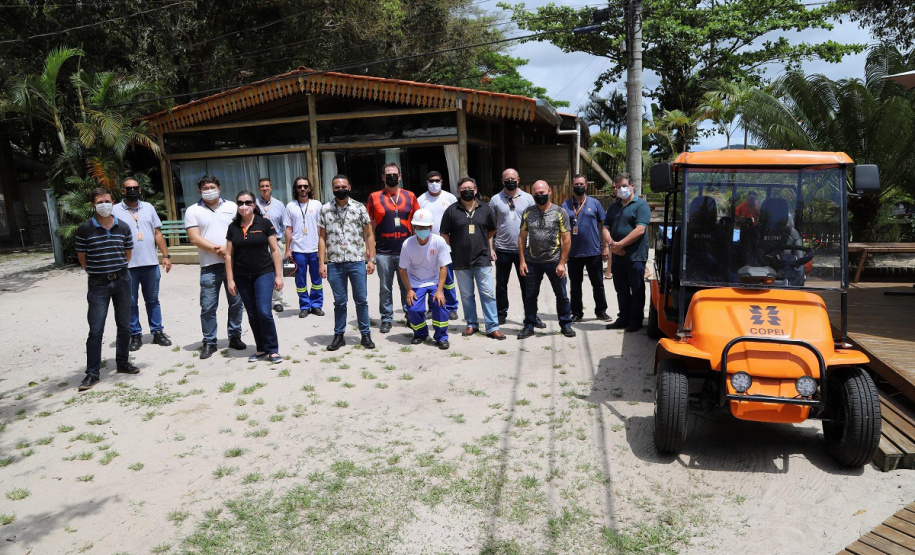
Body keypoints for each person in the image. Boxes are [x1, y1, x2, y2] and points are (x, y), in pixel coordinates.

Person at [75, 187, 139, 391]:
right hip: (98, 284)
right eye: (100, 202)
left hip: (122, 281)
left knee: (125, 325)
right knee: (96, 329)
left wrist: (116, 270)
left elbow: (127, 255)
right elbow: (82, 259)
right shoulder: (84, 229)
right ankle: (92, 373)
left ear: (113, 202)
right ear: (93, 205)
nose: (104, 205)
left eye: (107, 201)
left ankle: (123, 362)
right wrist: (98, 272)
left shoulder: (124, 227)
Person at [184, 175, 246, 359]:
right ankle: (209, 341)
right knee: (208, 306)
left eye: (212, 186)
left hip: (233, 265)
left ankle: (235, 336)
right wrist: (218, 250)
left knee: (236, 303)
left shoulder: (232, 208)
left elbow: (242, 230)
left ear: (219, 188)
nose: (209, 189)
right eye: (205, 187)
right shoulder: (192, 210)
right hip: (209, 267)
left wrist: (229, 250)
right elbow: (194, 238)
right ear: (199, 191)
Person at [111, 177, 173, 351]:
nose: (133, 191)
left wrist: (166, 255)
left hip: (150, 263)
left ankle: (157, 332)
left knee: (153, 300)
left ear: (140, 190)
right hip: (127, 266)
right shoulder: (114, 210)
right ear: (122, 191)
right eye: (128, 188)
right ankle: (135, 335)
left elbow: (157, 233)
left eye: (136, 188)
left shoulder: (149, 207)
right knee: (130, 302)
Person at [440, 177, 505, 340]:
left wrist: (488, 246)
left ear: (475, 190)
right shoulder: (451, 210)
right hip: (460, 261)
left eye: (470, 188)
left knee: (488, 294)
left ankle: (492, 327)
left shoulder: (485, 208)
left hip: (482, 259)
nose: (467, 191)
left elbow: (491, 230)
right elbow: (444, 233)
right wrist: (453, 248)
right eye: (463, 188)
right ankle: (471, 324)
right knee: (467, 295)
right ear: (458, 191)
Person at [318, 174, 377, 351]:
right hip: (335, 262)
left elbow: (369, 234)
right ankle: (339, 336)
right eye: (336, 187)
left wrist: (371, 259)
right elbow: (322, 238)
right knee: (340, 302)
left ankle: (365, 334)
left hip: (356, 261)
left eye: (343, 186)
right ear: (332, 188)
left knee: (361, 300)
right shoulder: (325, 209)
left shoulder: (359, 208)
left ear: (349, 187)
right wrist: (322, 263)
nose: (340, 190)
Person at [225, 190, 284, 364]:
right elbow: (228, 254)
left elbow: (275, 250)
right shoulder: (233, 227)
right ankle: (261, 348)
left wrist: (278, 276)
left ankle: (272, 349)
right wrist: (230, 279)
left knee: (264, 312)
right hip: (242, 276)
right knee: (252, 313)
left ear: (254, 204)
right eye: (240, 203)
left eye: (248, 202)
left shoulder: (264, 223)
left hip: (264, 273)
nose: (244, 206)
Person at [517, 180, 575, 339]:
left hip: (554, 261)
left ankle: (565, 325)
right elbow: (522, 238)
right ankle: (529, 325)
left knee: (561, 295)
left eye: (542, 192)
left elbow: (566, 239)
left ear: (549, 191)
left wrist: (562, 263)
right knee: (530, 296)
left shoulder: (560, 212)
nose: (539, 195)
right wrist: (522, 261)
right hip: (532, 262)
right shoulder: (528, 212)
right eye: (536, 193)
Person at [366, 162, 419, 333]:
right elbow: (368, 226)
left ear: (400, 176)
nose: (391, 177)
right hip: (383, 252)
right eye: (388, 174)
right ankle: (386, 318)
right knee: (385, 287)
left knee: (407, 286)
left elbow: (418, 222)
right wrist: (370, 251)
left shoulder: (410, 196)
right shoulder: (374, 197)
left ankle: (410, 315)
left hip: (406, 251)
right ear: (383, 177)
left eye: (394, 174)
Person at [489, 168, 544, 328]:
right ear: (502, 181)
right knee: (501, 284)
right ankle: (501, 314)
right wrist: (490, 248)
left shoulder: (528, 199)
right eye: (507, 179)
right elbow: (491, 227)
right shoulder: (495, 200)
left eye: (513, 178)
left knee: (528, 285)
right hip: (502, 249)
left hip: (525, 250)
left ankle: (532, 316)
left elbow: (536, 223)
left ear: (518, 180)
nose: (510, 181)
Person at [602, 173, 652, 333]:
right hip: (617, 256)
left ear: (632, 186)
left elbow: (640, 229)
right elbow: (605, 227)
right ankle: (623, 318)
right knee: (621, 289)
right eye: (618, 186)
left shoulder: (641, 205)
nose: (621, 189)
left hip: (635, 256)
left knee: (636, 289)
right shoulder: (613, 206)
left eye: (624, 186)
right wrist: (611, 244)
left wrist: (620, 244)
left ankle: (636, 321)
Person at [398, 208, 452, 349]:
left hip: (434, 280)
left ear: (431, 227)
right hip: (416, 281)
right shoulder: (407, 244)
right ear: (414, 227)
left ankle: (441, 337)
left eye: (425, 227)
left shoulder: (439, 242)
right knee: (413, 308)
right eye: (418, 227)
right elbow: (402, 269)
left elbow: (443, 268)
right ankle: (420, 333)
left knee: (440, 304)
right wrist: (409, 290)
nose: (421, 229)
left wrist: (440, 291)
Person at [561, 174, 610, 322]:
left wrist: (605, 247)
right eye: (576, 184)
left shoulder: (595, 203)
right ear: (572, 186)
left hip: (593, 251)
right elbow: (562, 230)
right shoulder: (565, 205)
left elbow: (605, 225)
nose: (579, 186)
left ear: (586, 185)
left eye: (581, 184)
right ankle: (576, 313)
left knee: (598, 284)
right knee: (575, 287)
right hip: (573, 253)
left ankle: (601, 311)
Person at [416, 170, 459, 320]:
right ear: (427, 182)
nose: (434, 183)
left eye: (437, 180)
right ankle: (433, 307)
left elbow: (457, 218)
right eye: (431, 181)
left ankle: (452, 306)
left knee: (447, 278)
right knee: (429, 277)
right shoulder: (421, 200)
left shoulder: (450, 197)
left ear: (442, 181)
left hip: (447, 244)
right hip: (427, 244)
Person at [283, 176, 324, 318]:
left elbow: (322, 229)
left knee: (317, 280)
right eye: (299, 186)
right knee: (300, 280)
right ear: (295, 189)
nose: (302, 189)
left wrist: (323, 249)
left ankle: (317, 305)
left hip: (314, 249)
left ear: (310, 188)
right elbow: (288, 229)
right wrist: (287, 249)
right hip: (298, 250)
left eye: (305, 186)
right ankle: (305, 306)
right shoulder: (290, 206)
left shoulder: (317, 205)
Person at [256, 177, 288, 312]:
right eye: (262, 186)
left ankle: (277, 301)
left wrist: (288, 247)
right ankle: (262, 299)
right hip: (259, 243)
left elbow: (284, 225)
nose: (265, 188)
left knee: (277, 271)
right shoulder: (254, 204)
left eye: (267, 186)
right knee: (259, 271)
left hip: (276, 241)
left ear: (271, 187)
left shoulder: (279, 205)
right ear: (259, 188)